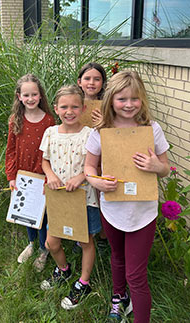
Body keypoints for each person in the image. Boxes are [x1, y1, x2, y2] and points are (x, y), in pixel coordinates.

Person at [84, 71, 170, 322]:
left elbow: (165, 168)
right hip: (112, 208)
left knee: (136, 274)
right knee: (117, 257)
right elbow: (89, 167)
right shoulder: (101, 131)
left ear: (142, 100)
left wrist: (156, 166)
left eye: (135, 99)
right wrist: (95, 180)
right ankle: (118, 297)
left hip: (142, 212)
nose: (129, 104)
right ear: (111, 100)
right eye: (122, 99)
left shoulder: (151, 130)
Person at [39, 85, 101, 310]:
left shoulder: (89, 134)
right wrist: (50, 174)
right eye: (64, 106)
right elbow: (45, 160)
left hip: (83, 196)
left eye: (75, 106)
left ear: (83, 108)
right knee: (51, 242)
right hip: (58, 198)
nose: (69, 111)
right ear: (56, 108)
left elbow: (95, 165)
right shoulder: (50, 133)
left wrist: (81, 176)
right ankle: (64, 270)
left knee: (85, 241)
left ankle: (84, 281)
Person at [5, 74, 55, 272]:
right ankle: (32, 243)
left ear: (40, 95)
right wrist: (11, 176)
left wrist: (49, 176)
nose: (31, 98)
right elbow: (10, 150)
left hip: (42, 176)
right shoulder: (15, 120)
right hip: (23, 176)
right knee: (27, 211)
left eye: (34, 94)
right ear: (19, 96)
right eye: (26, 95)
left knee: (42, 216)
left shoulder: (49, 121)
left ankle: (44, 249)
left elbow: (52, 152)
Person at [77, 62, 109, 254]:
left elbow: (115, 135)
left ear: (103, 83)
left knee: (100, 197)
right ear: (79, 82)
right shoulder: (74, 103)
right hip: (78, 158)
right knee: (81, 196)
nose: (91, 83)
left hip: (101, 159)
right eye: (87, 78)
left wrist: (103, 124)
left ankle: (104, 236)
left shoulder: (108, 105)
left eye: (97, 79)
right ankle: (81, 235)